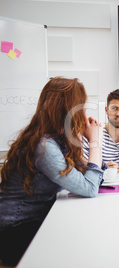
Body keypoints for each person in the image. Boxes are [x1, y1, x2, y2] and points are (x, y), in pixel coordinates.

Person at [0, 77, 104, 266]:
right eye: (80, 108)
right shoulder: (44, 146)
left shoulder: (54, 140)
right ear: (68, 111)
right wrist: (95, 142)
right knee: (85, 245)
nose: (83, 114)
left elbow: (88, 175)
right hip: (14, 232)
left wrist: (83, 138)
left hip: (32, 223)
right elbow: (89, 188)